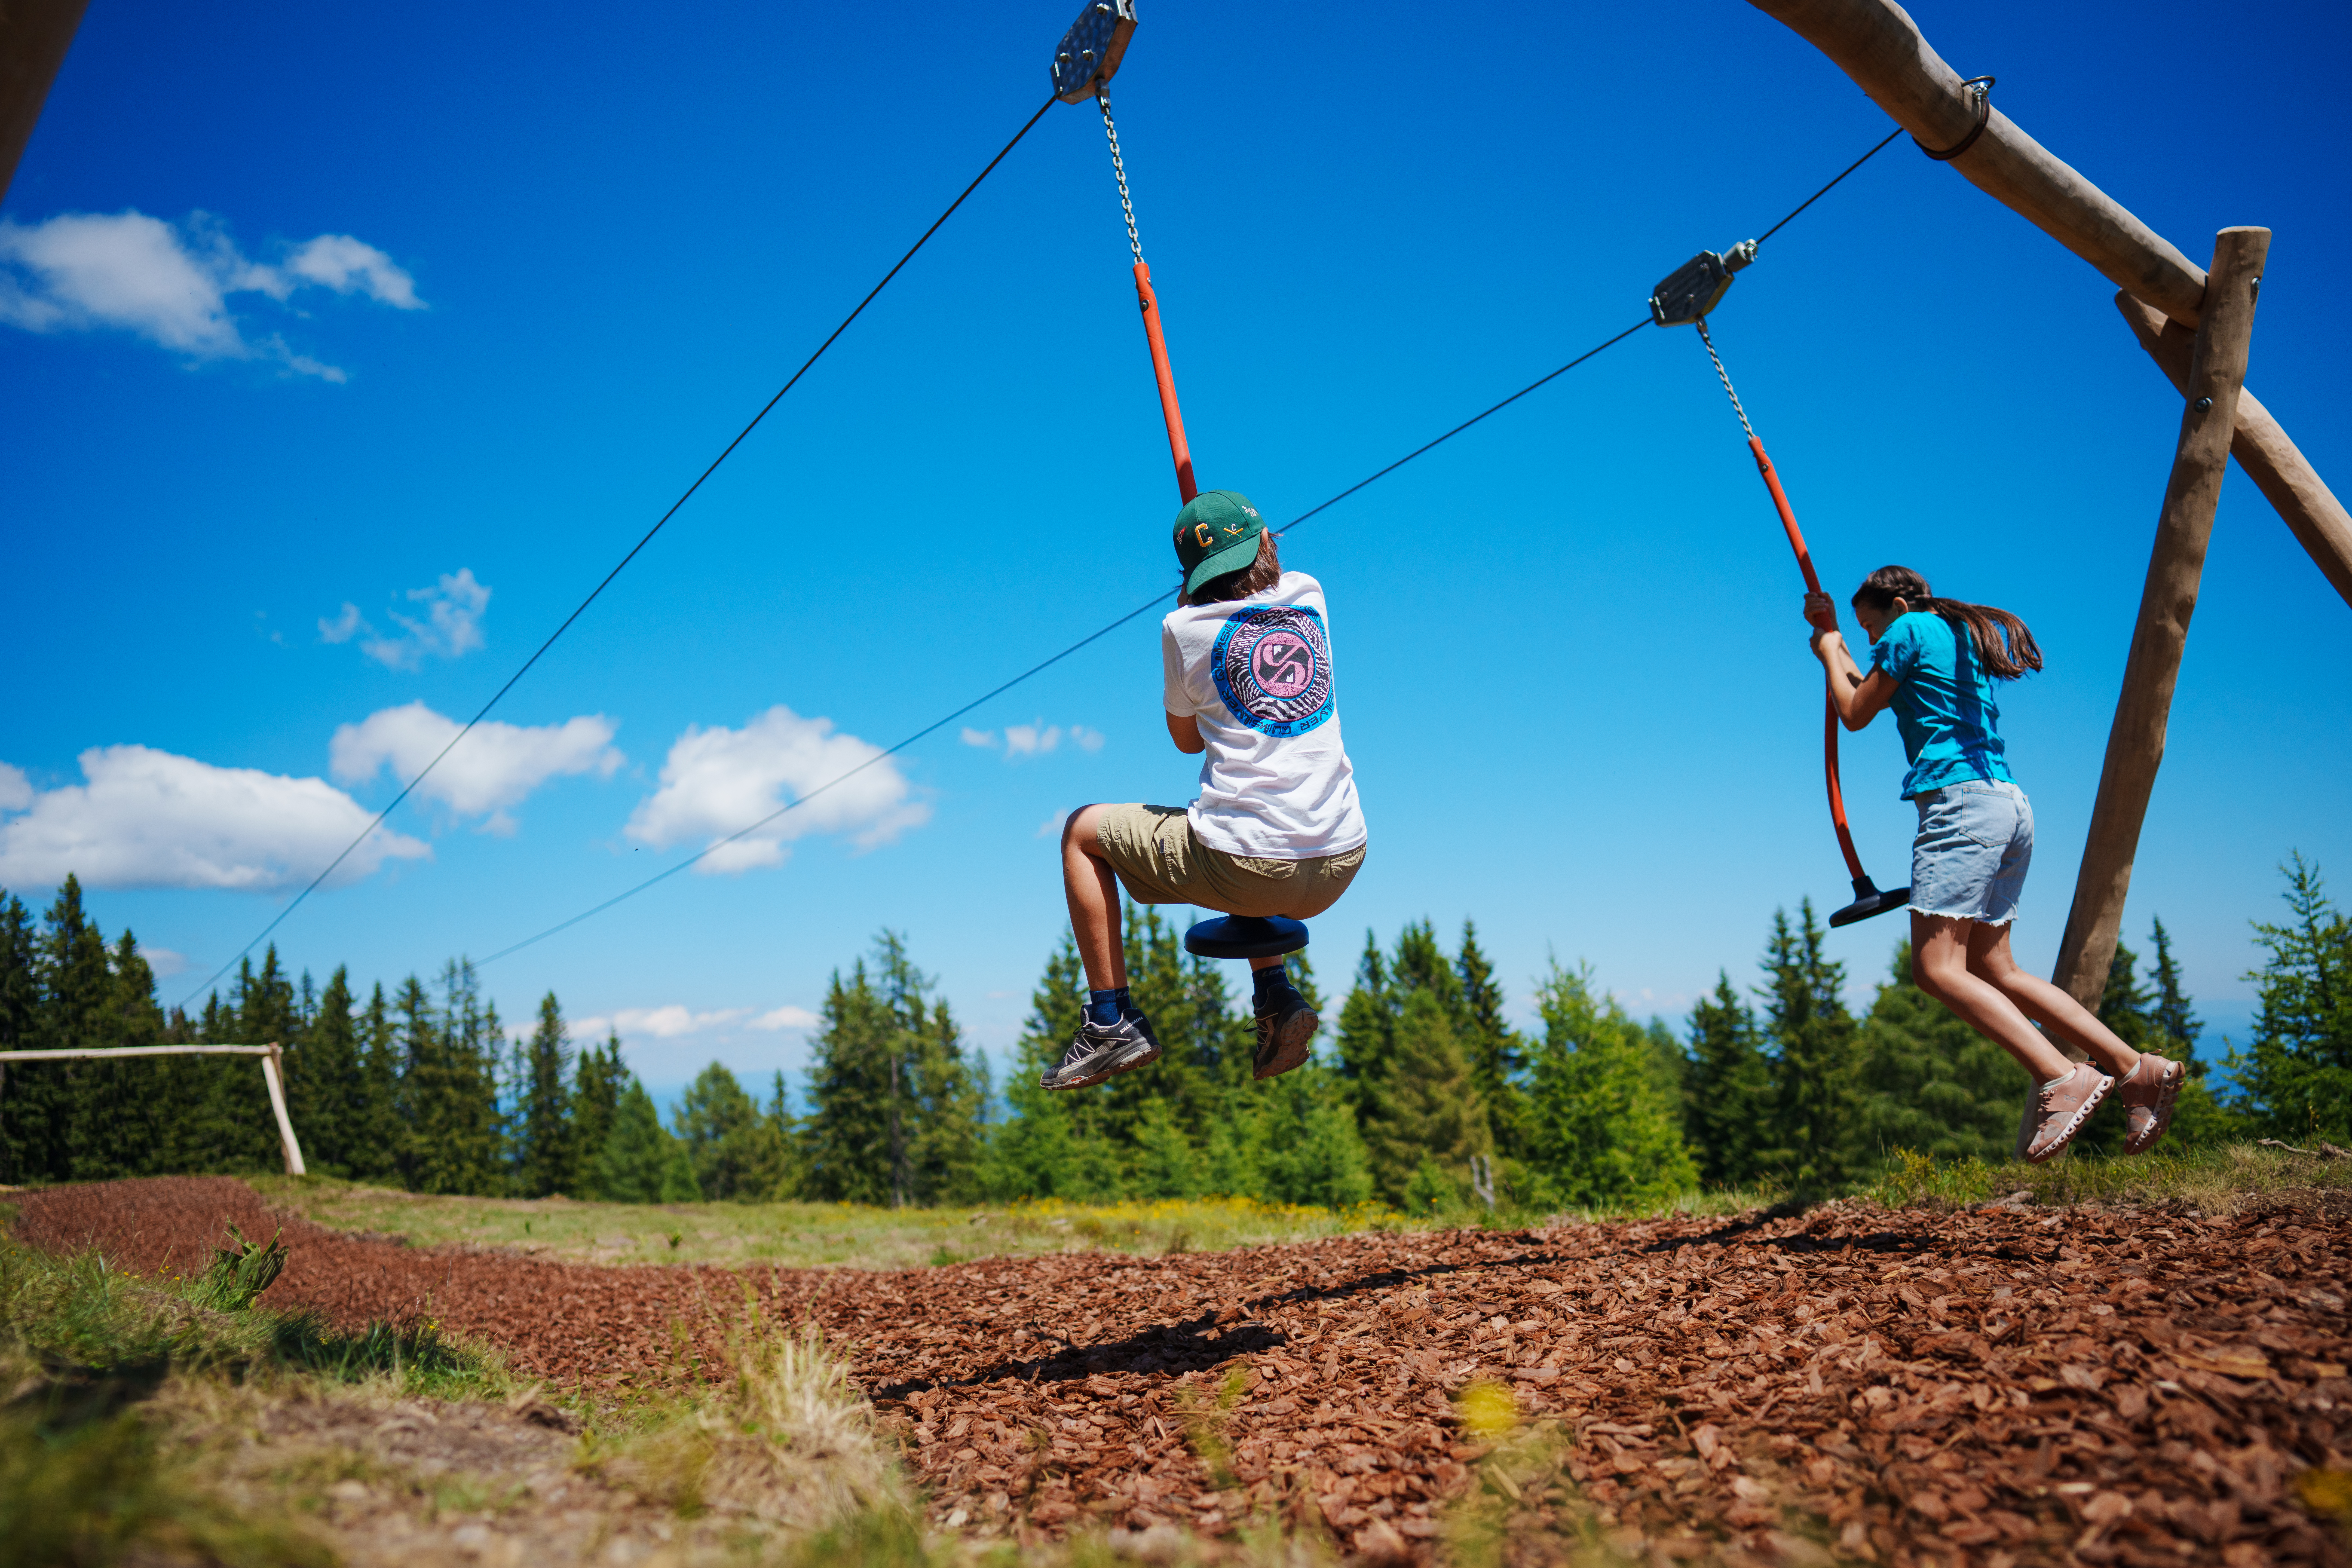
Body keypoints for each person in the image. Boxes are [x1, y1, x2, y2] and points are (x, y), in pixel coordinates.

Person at [1805, 565, 2183, 1162]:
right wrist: (1838, 644)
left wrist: (1828, 650)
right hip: (2007, 806)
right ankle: (2135, 1069)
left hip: (1958, 810)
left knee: (1936, 970)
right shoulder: (1947, 633)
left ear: (1898, 607)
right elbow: (1870, 690)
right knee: (1993, 965)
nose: (1873, 641)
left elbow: (1853, 712)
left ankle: (2061, 1075)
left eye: (1872, 627)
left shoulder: (1910, 630)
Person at [1043, 490, 1369, 1093]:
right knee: (1228, 815)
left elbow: (1187, 741)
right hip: (1342, 857)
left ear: (1191, 578)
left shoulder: (1181, 627)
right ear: (1268, 544)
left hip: (1251, 866)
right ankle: (1274, 994)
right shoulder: (1311, 595)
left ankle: (1111, 1021)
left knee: (1082, 831)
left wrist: (1192, 614)